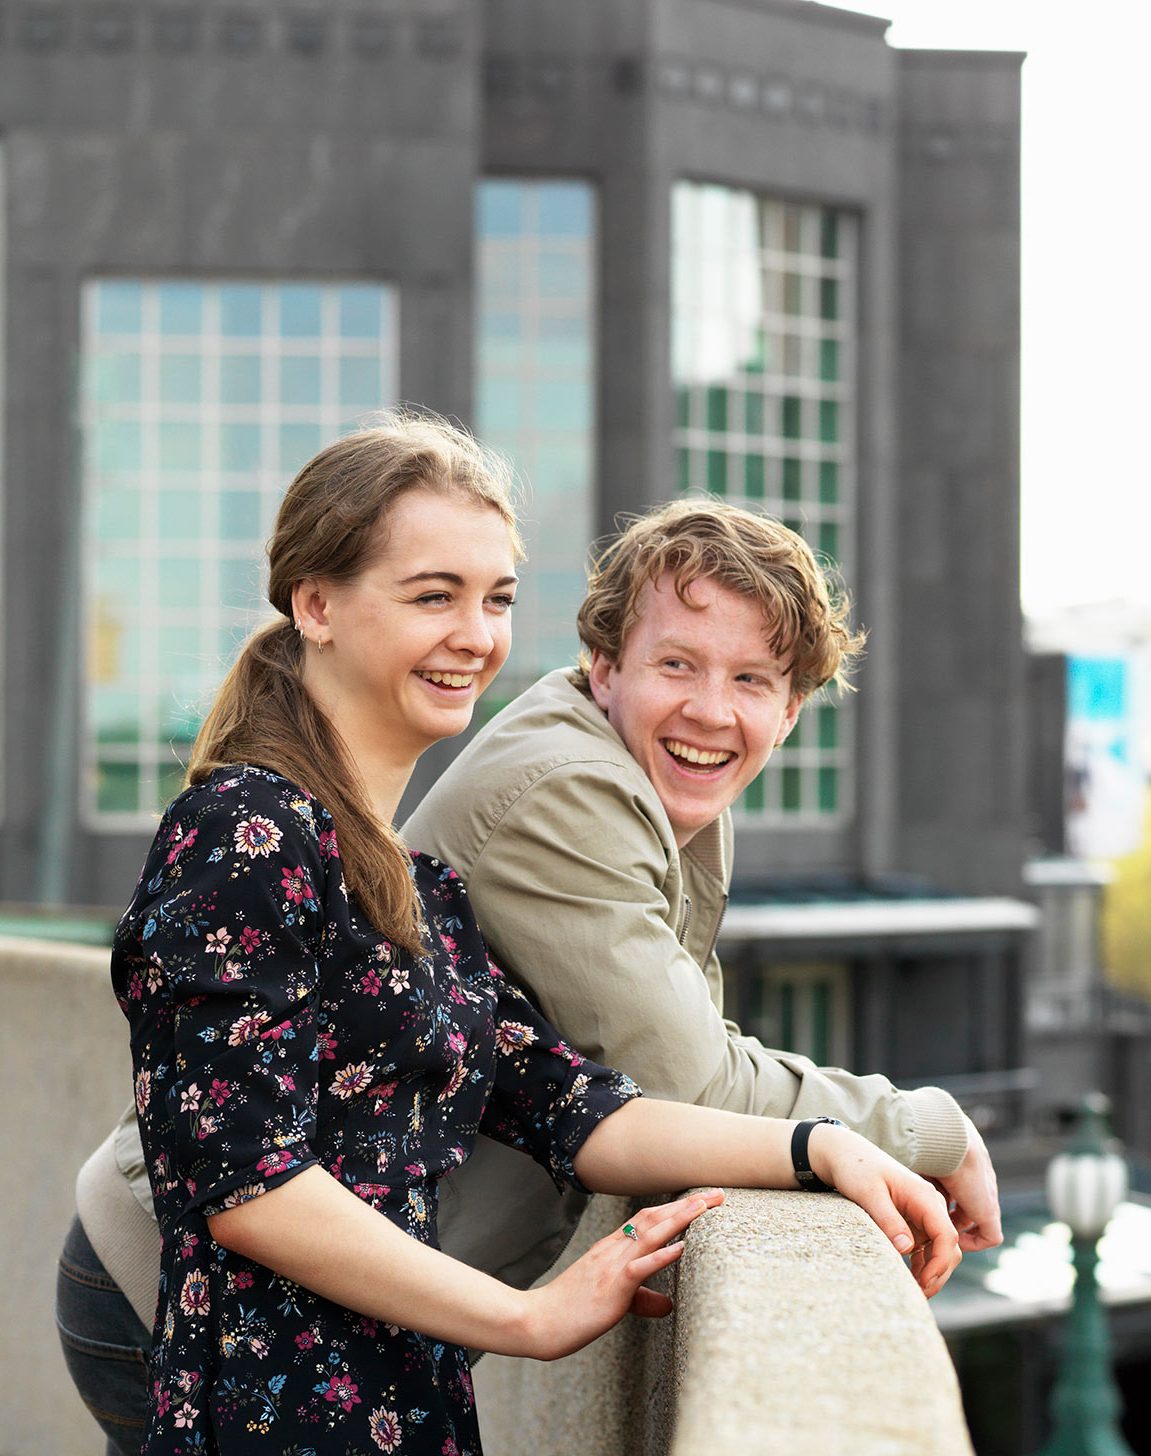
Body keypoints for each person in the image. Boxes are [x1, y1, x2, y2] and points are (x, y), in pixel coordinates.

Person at [64, 415, 959, 1456]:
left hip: (377, 1381)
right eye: (432, 595)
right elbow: (246, 1185)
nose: (476, 635)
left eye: (495, 600)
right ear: (316, 604)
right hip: (236, 1371)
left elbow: (579, 1107)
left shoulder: (412, 881)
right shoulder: (244, 834)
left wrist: (823, 1147)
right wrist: (529, 1321)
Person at [402, 498, 1003, 1292]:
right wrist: (927, 1129)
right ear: (606, 666)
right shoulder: (571, 791)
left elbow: (690, 1052)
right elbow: (694, 1084)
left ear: (789, 714)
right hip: (313, 1328)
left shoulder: (659, 782)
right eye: (678, 665)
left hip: (398, 1306)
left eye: (750, 680)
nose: (712, 712)